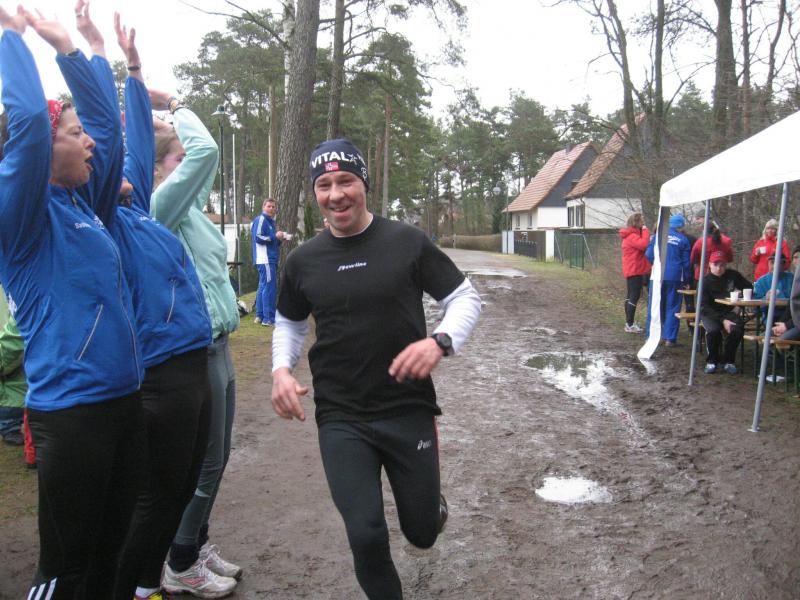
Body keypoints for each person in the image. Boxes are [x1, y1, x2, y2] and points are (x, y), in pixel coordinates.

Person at [271, 138, 482, 600]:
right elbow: (288, 321)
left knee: (421, 533)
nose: (336, 194)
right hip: (341, 415)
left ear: (364, 183)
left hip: (407, 407)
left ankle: (429, 507)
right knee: (365, 534)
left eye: (346, 181)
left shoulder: (406, 242)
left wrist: (440, 341)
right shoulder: (303, 260)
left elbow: (464, 297)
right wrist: (281, 370)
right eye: (324, 185)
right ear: (315, 192)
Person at [0, 6, 145, 598]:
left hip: (124, 403)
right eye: (74, 134)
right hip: (72, 413)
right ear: (43, 152)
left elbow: (110, 129)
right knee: (66, 568)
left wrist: (72, 51)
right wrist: (13, 38)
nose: (89, 143)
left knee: (112, 554)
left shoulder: (88, 207)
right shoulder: (22, 222)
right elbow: (31, 124)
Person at [89, 14, 215, 600]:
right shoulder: (104, 219)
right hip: (161, 373)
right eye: (105, 159)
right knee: (156, 495)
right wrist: (92, 55)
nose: (127, 166)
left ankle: (146, 586)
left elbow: (137, 141)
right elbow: (116, 138)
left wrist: (134, 70)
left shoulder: (134, 208)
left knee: (179, 489)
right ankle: (128, 587)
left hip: (191, 364)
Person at [149, 87, 241, 595]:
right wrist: (175, 103)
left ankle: (194, 543)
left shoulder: (190, 212)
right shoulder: (160, 206)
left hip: (221, 344)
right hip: (196, 351)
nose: (189, 166)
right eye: (177, 159)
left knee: (218, 459)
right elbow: (206, 151)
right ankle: (180, 561)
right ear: (159, 168)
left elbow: (206, 159)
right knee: (204, 464)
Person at [699, 251, 752, 375]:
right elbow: (703, 307)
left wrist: (739, 301)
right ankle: (712, 361)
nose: (719, 268)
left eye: (722, 265)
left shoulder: (733, 275)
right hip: (710, 313)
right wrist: (723, 320)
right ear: (710, 265)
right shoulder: (704, 282)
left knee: (738, 328)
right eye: (715, 264)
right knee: (714, 331)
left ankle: (728, 361)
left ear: (726, 265)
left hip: (729, 311)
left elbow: (749, 287)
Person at [645, 213, 692, 347]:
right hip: (675, 277)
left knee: (655, 306)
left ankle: (652, 336)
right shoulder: (683, 239)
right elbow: (686, 264)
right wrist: (687, 280)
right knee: (673, 306)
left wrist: (656, 264)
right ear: (681, 226)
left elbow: (648, 254)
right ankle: (670, 339)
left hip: (657, 276)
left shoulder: (658, 236)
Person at [251, 197, 285, 326]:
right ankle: (269, 318)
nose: (271, 209)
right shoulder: (261, 219)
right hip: (265, 259)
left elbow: (271, 242)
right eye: (269, 206)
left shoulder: (271, 222)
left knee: (263, 287)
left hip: (268, 258)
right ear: (263, 207)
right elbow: (258, 237)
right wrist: (274, 236)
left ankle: (260, 316)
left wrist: (279, 240)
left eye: (273, 207)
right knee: (269, 287)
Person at [618, 212, 650, 333]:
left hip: (633, 268)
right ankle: (629, 324)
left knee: (630, 296)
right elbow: (644, 245)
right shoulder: (632, 236)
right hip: (635, 269)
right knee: (634, 296)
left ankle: (629, 323)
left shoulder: (631, 235)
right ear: (636, 222)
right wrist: (645, 230)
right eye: (642, 221)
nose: (644, 223)